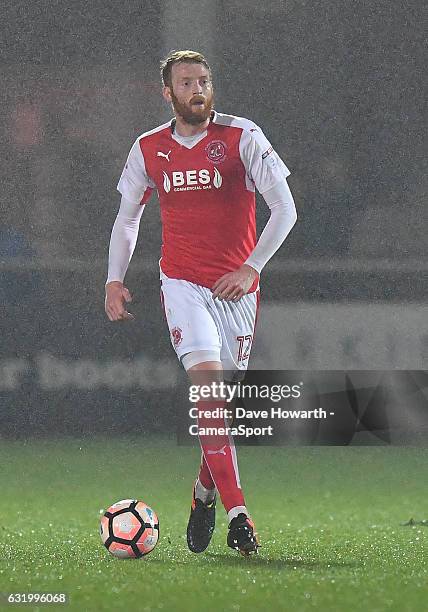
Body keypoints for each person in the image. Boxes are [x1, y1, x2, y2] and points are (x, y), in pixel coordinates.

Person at [105, 50, 297, 555]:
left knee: (221, 409)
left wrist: (250, 267)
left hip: (237, 290)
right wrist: (113, 278)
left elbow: (285, 209)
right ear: (167, 93)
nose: (197, 88)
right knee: (208, 394)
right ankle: (240, 515)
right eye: (186, 82)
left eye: (204, 80)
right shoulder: (148, 149)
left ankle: (203, 492)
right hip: (183, 284)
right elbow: (128, 220)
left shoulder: (241, 137)